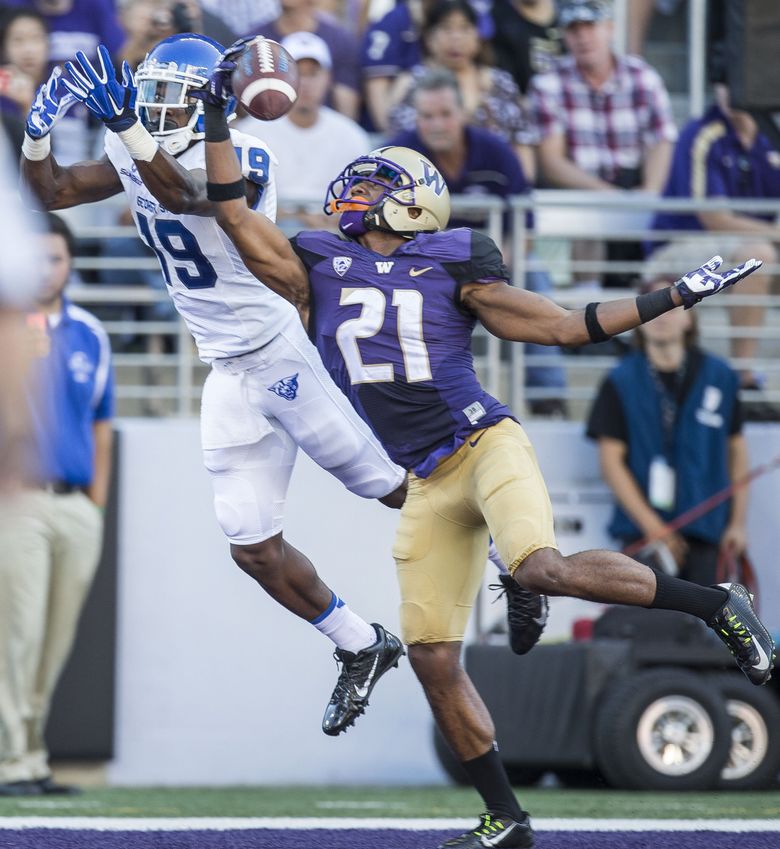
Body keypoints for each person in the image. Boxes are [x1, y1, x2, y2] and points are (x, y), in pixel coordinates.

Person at [198, 52, 774, 847]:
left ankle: (717, 605)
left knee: (541, 565)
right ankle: (507, 815)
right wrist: (215, 114)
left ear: (411, 207)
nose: (356, 193)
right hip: (426, 480)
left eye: (376, 185)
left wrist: (674, 294)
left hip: (485, 442)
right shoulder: (316, 267)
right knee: (434, 658)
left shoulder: (453, 264)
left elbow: (566, 326)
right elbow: (231, 212)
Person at [20, 33, 407, 738]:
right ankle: (361, 641)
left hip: (283, 352)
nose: (156, 106)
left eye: (172, 96)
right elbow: (52, 192)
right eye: (151, 93)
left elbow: (192, 195)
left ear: (210, 104)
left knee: (389, 485)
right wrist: (38, 131)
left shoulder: (245, 153)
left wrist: (127, 128)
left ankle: (513, 560)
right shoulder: (136, 141)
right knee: (251, 545)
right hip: (225, 367)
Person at [0, 212, 112, 797]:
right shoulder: (4, 328)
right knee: (15, 634)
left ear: (70, 264)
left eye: (57, 258)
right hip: (17, 503)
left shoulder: (90, 332)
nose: (46, 270)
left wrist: (96, 503)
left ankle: (33, 757)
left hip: (74, 506)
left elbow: (102, 424)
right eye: (36, 258)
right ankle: (10, 762)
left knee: (55, 638)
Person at [389, 67, 567, 413]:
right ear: (416, 118)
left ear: (463, 114)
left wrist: (499, 269)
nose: (437, 124)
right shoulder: (402, 157)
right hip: (419, 269)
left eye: (445, 114)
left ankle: (548, 397)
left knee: (534, 277)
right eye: (427, 116)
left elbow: (524, 224)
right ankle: (405, 395)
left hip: (495, 262)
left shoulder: (496, 150)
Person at [586, 277, 747, 587]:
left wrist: (738, 524)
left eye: (671, 308)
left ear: (690, 318)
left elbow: (737, 452)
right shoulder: (620, 380)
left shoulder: (721, 376)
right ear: (638, 319)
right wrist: (655, 529)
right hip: (642, 535)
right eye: (652, 307)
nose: (661, 318)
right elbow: (611, 463)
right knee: (646, 627)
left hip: (707, 528)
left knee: (707, 629)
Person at [527, 0, 677, 287]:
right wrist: (611, 196)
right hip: (580, 192)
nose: (583, 36)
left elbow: (662, 140)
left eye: (590, 26)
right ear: (565, 36)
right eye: (574, 29)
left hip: (636, 185)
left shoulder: (642, 76)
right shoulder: (547, 83)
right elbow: (552, 163)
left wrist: (649, 192)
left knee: (654, 223)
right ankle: (592, 316)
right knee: (589, 218)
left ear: (610, 29)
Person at [647, 80, 780, 395]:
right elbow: (714, 219)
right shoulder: (702, 133)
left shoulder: (770, 136)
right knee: (757, 255)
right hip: (677, 246)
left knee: (759, 253)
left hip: (743, 245)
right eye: (725, 82)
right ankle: (743, 378)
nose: (732, 91)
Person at [234, 31, 370, 232]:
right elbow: (239, 205)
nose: (306, 83)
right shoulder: (250, 133)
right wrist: (300, 218)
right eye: (298, 72)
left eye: (313, 73)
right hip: (266, 237)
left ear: (328, 78)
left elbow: (363, 201)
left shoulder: (352, 136)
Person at [384, 0, 534, 179]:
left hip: (493, 188)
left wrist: (522, 190)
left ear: (477, 36)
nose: (456, 37)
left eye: (465, 28)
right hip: (422, 190)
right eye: (446, 29)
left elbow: (522, 145)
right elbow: (398, 148)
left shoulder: (500, 83)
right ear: (429, 37)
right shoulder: (410, 83)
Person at [242, 0, 362, 120]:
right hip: (268, 126)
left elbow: (346, 103)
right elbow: (246, 99)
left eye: (312, 72)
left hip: (323, 126)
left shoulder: (339, 39)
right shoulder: (254, 41)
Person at [490, 0, 564, 96]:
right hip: (529, 100)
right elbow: (506, 72)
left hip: (573, 94)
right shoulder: (501, 16)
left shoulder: (565, 7)